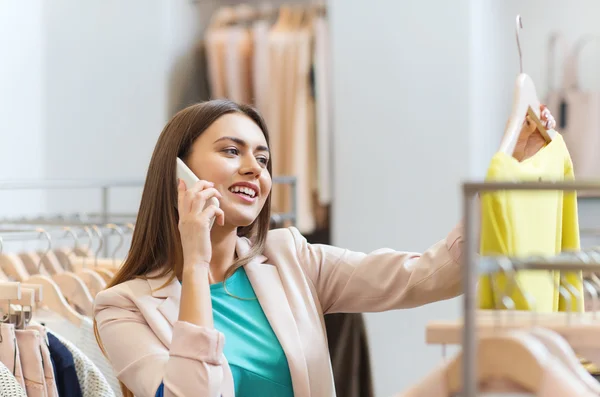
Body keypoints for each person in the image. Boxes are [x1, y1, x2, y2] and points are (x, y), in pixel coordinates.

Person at [93, 99, 556, 397]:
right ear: (179, 174)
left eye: (263, 158)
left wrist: (507, 174)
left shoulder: (290, 257)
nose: (254, 168)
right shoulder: (122, 309)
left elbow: (425, 275)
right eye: (232, 151)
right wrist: (193, 265)